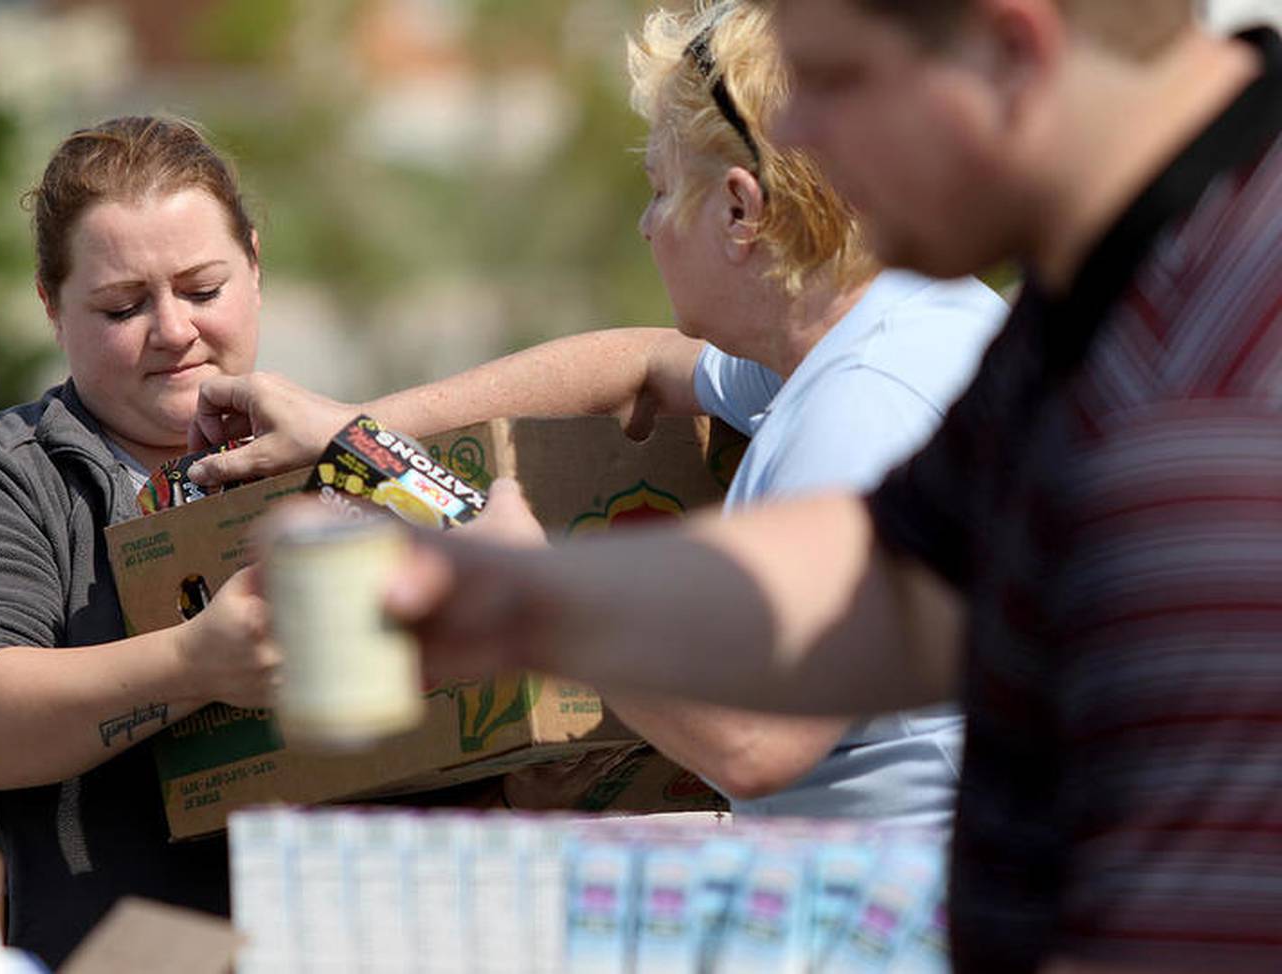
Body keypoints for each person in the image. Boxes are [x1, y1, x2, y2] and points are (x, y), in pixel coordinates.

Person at [379, 1, 1282, 971]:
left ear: (1011, 52)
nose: (796, 136)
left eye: (838, 80)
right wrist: (528, 595)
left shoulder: (1203, 424)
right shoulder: (1114, 284)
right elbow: (891, 585)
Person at [188, 2, 1005, 823]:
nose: (647, 227)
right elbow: (637, 365)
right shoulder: (889, 326)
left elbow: (754, 742)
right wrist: (354, 431)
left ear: (739, 212)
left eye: (658, 189)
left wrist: (535, 597)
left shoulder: (861, 406)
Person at [0, 116, 280, 968]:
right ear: (52, 307)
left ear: (257, 268)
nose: (173, 331)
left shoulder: (351, 462)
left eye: (203, 290)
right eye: (124, 306)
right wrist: (198, 662)